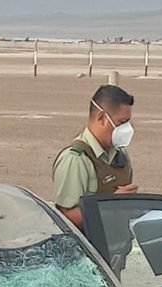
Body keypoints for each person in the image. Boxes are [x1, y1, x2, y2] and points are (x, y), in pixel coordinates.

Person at [52, 85, 138, 231]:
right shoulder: (76, 159)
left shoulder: (120, 154)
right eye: (122, 122)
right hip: (91, 245)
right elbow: (66, 218)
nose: (127, 129)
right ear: (102, 118)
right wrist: (110, 204)